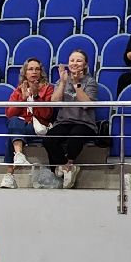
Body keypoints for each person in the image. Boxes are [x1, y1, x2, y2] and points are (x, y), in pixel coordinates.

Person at [46, 49, 102, 188]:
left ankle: (67, 165)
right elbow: (54, 102)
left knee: (75, 136)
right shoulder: (62, 80)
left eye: (79, 60)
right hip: (64, 121)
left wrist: (77, 84)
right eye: (72, 60)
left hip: (85, 123)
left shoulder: (90, 81)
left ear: (85, 64)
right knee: (49, 139)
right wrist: (63, 82)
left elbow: (86, 105)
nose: (74, 63)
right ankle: (68, 167)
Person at [2, 59, 55, 188]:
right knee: (14, 123)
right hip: (21, 126)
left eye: (37, 69)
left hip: (38, 127)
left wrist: (36, 97)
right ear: (25, 73)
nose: (34, 72)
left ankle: (9, 175)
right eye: (30, 69)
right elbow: (9, 113)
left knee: (13, 133)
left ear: (41, 72)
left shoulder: (48, 89)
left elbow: (47, 115)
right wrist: (23, 99)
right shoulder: (18, 90)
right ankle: (19, 155)